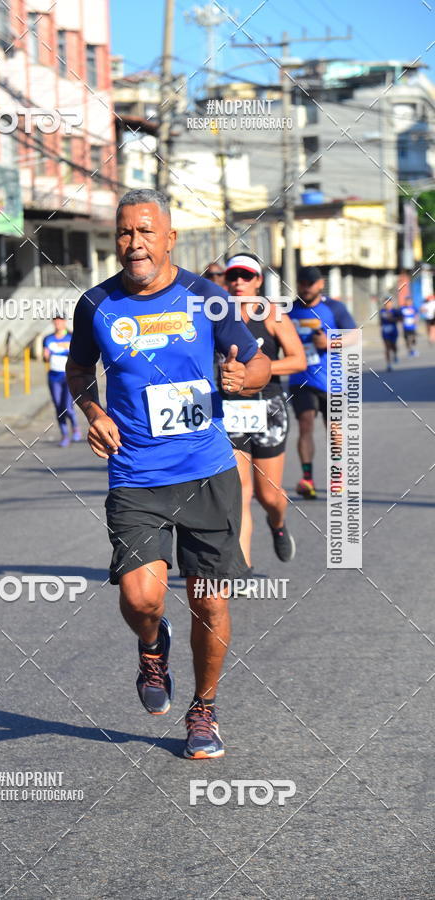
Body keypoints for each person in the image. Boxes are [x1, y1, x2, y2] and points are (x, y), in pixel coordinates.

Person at [66, 189, 270, 759]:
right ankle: (152, 645)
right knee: (141, 596)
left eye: (146, 232)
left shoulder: (206, 297)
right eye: (125, 233)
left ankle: (203, 709)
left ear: (170, 238)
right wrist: (94, 410)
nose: (135, 244)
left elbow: (255, 360)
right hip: (135, 472)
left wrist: (247, 379)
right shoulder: (97, 304)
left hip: (206, 470)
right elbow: (78, 369)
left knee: (208, 600)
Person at [220, 253, 306, 566]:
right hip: (229, 407)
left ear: (258, 280)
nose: (239, 283)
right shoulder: (216, 315)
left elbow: (299, 360)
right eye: (233, 277)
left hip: (268, 406)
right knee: (238, 493)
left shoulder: (272, 314)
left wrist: (258, 369)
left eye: (246, 276)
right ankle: (242, 565)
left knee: (268, 495)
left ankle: (278, 523)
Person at [289, 266, 357, 499]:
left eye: (310, 283)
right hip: (301, 379)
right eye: (302, 283)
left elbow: (354, 335)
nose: (305, 287)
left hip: (333, 380)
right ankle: (307, 478)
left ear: (319, 284)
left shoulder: (334, 308)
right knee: (305, 424)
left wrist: (330, 342)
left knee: (334, 429)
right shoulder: (289, 309)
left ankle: (338, 476)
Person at [42, 315, 81, 447]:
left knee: (68, 408)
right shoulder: (48, 338)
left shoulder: (72, 337)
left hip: (69, 376)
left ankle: (75, 427)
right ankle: (64, 435)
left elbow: (79, 356)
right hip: (54, 376)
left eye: (60, 320)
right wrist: (45, 356)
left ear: (64, 321)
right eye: (55, 320)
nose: (57, 322)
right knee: (58, 407)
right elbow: (45, 358)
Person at [379, 297, 399, 371]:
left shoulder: (395, 311)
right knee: (387, 347)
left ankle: (395, 354)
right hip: (385, 331)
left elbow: (400, 319)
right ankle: (389, 364)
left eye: (389, 302)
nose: (387, 304)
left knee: (393, 346)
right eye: (386, 303)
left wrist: (392, 319)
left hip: (393, 331)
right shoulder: (382, 311)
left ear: (391, 303)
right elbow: (380, 321)